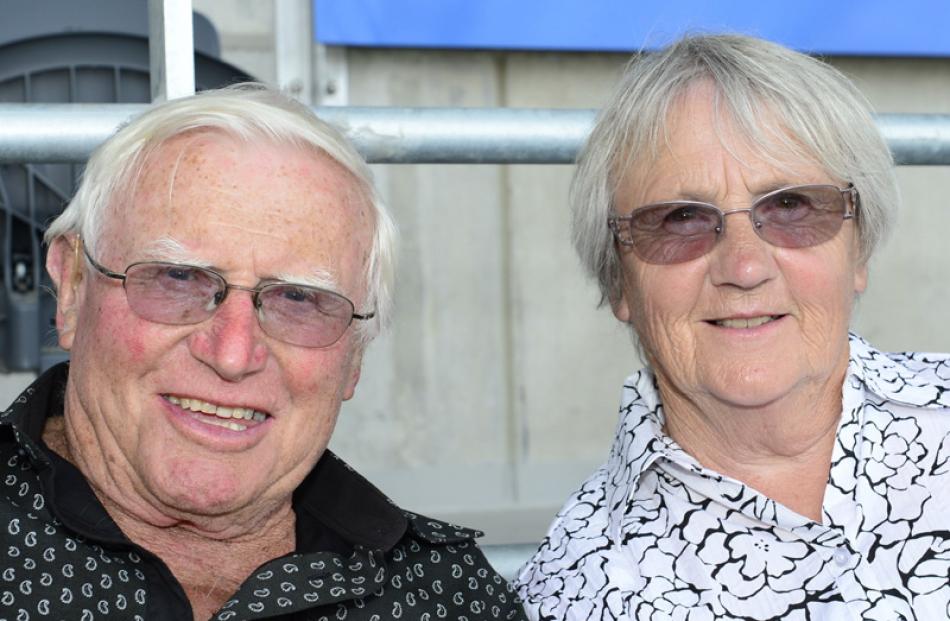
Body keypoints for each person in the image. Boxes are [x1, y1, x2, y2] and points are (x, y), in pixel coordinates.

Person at [0, 85, 526, 621]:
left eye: (298, 298)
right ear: (71, 287)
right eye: (178, 278)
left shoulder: (450, 598)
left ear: (356, 354)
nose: (232, 354)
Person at [515, 34, 950, 619]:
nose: (744, 267)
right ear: (618, 280)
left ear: (860, 250)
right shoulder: (575, 592)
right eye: (681, 219)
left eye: (792, 207)